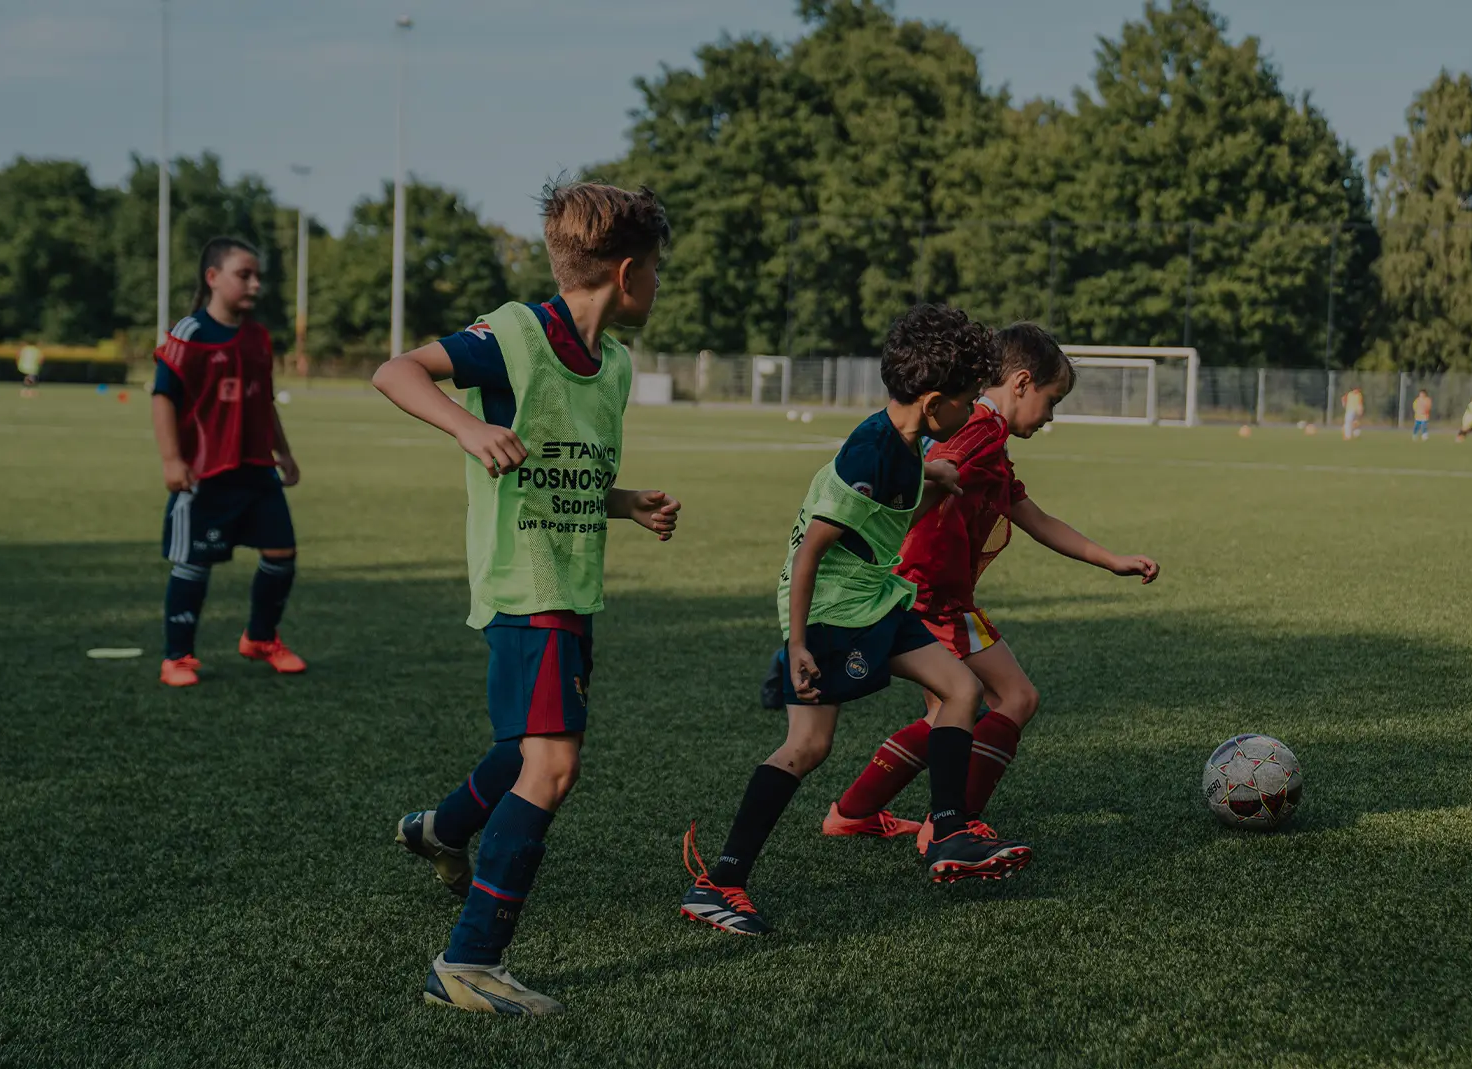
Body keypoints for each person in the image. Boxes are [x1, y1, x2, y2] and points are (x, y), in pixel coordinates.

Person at [372, 181, 680, 1016]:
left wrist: (626, 503)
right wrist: (468, 427)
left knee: (521, 748)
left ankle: (440, 830)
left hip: (572, 587)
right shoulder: (513, 336)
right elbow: (396, 371)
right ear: (628, 273)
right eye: (656, 269)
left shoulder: (613, 366)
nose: (658, 284)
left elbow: (563, 474)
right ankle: (467, 963)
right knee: (554, 765)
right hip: (524, 585)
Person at [681, 303, 1029, 938]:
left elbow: (893, 503)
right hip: (833, 610)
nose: (972, 412)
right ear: (933, 404)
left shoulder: (905, 440)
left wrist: (931, 475)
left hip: (876, 595)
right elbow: (809, 553)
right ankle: (720, 883)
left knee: (961, 688)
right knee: (808, 746)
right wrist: (796, 645)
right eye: (966, 401)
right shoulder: (870, 454)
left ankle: (949, 831)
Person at [824, 322, 1159, 847]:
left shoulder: (989, 438)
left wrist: (1110, 560)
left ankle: (854, 813)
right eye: (1052, 401)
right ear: (1022, 383)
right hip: (929, 594)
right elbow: (929, 470)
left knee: (948, 713)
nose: (1050, 417)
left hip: (927, 592)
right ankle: (951, 825)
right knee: (1015, 698)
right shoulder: (980, 429)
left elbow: (1034, 517)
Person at [151, 238, 305, 688]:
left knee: (282, 554)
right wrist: (171, 460)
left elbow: (264, 400)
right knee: (194, 563)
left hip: (256, 469)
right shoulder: (190, 333)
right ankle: (177, 657)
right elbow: (163, 398)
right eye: (244, 275)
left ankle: (260, 638)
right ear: (213, 277)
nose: (254, 284)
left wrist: (283, 452)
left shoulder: (258, 337)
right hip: (206, 472)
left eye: (257, 276)